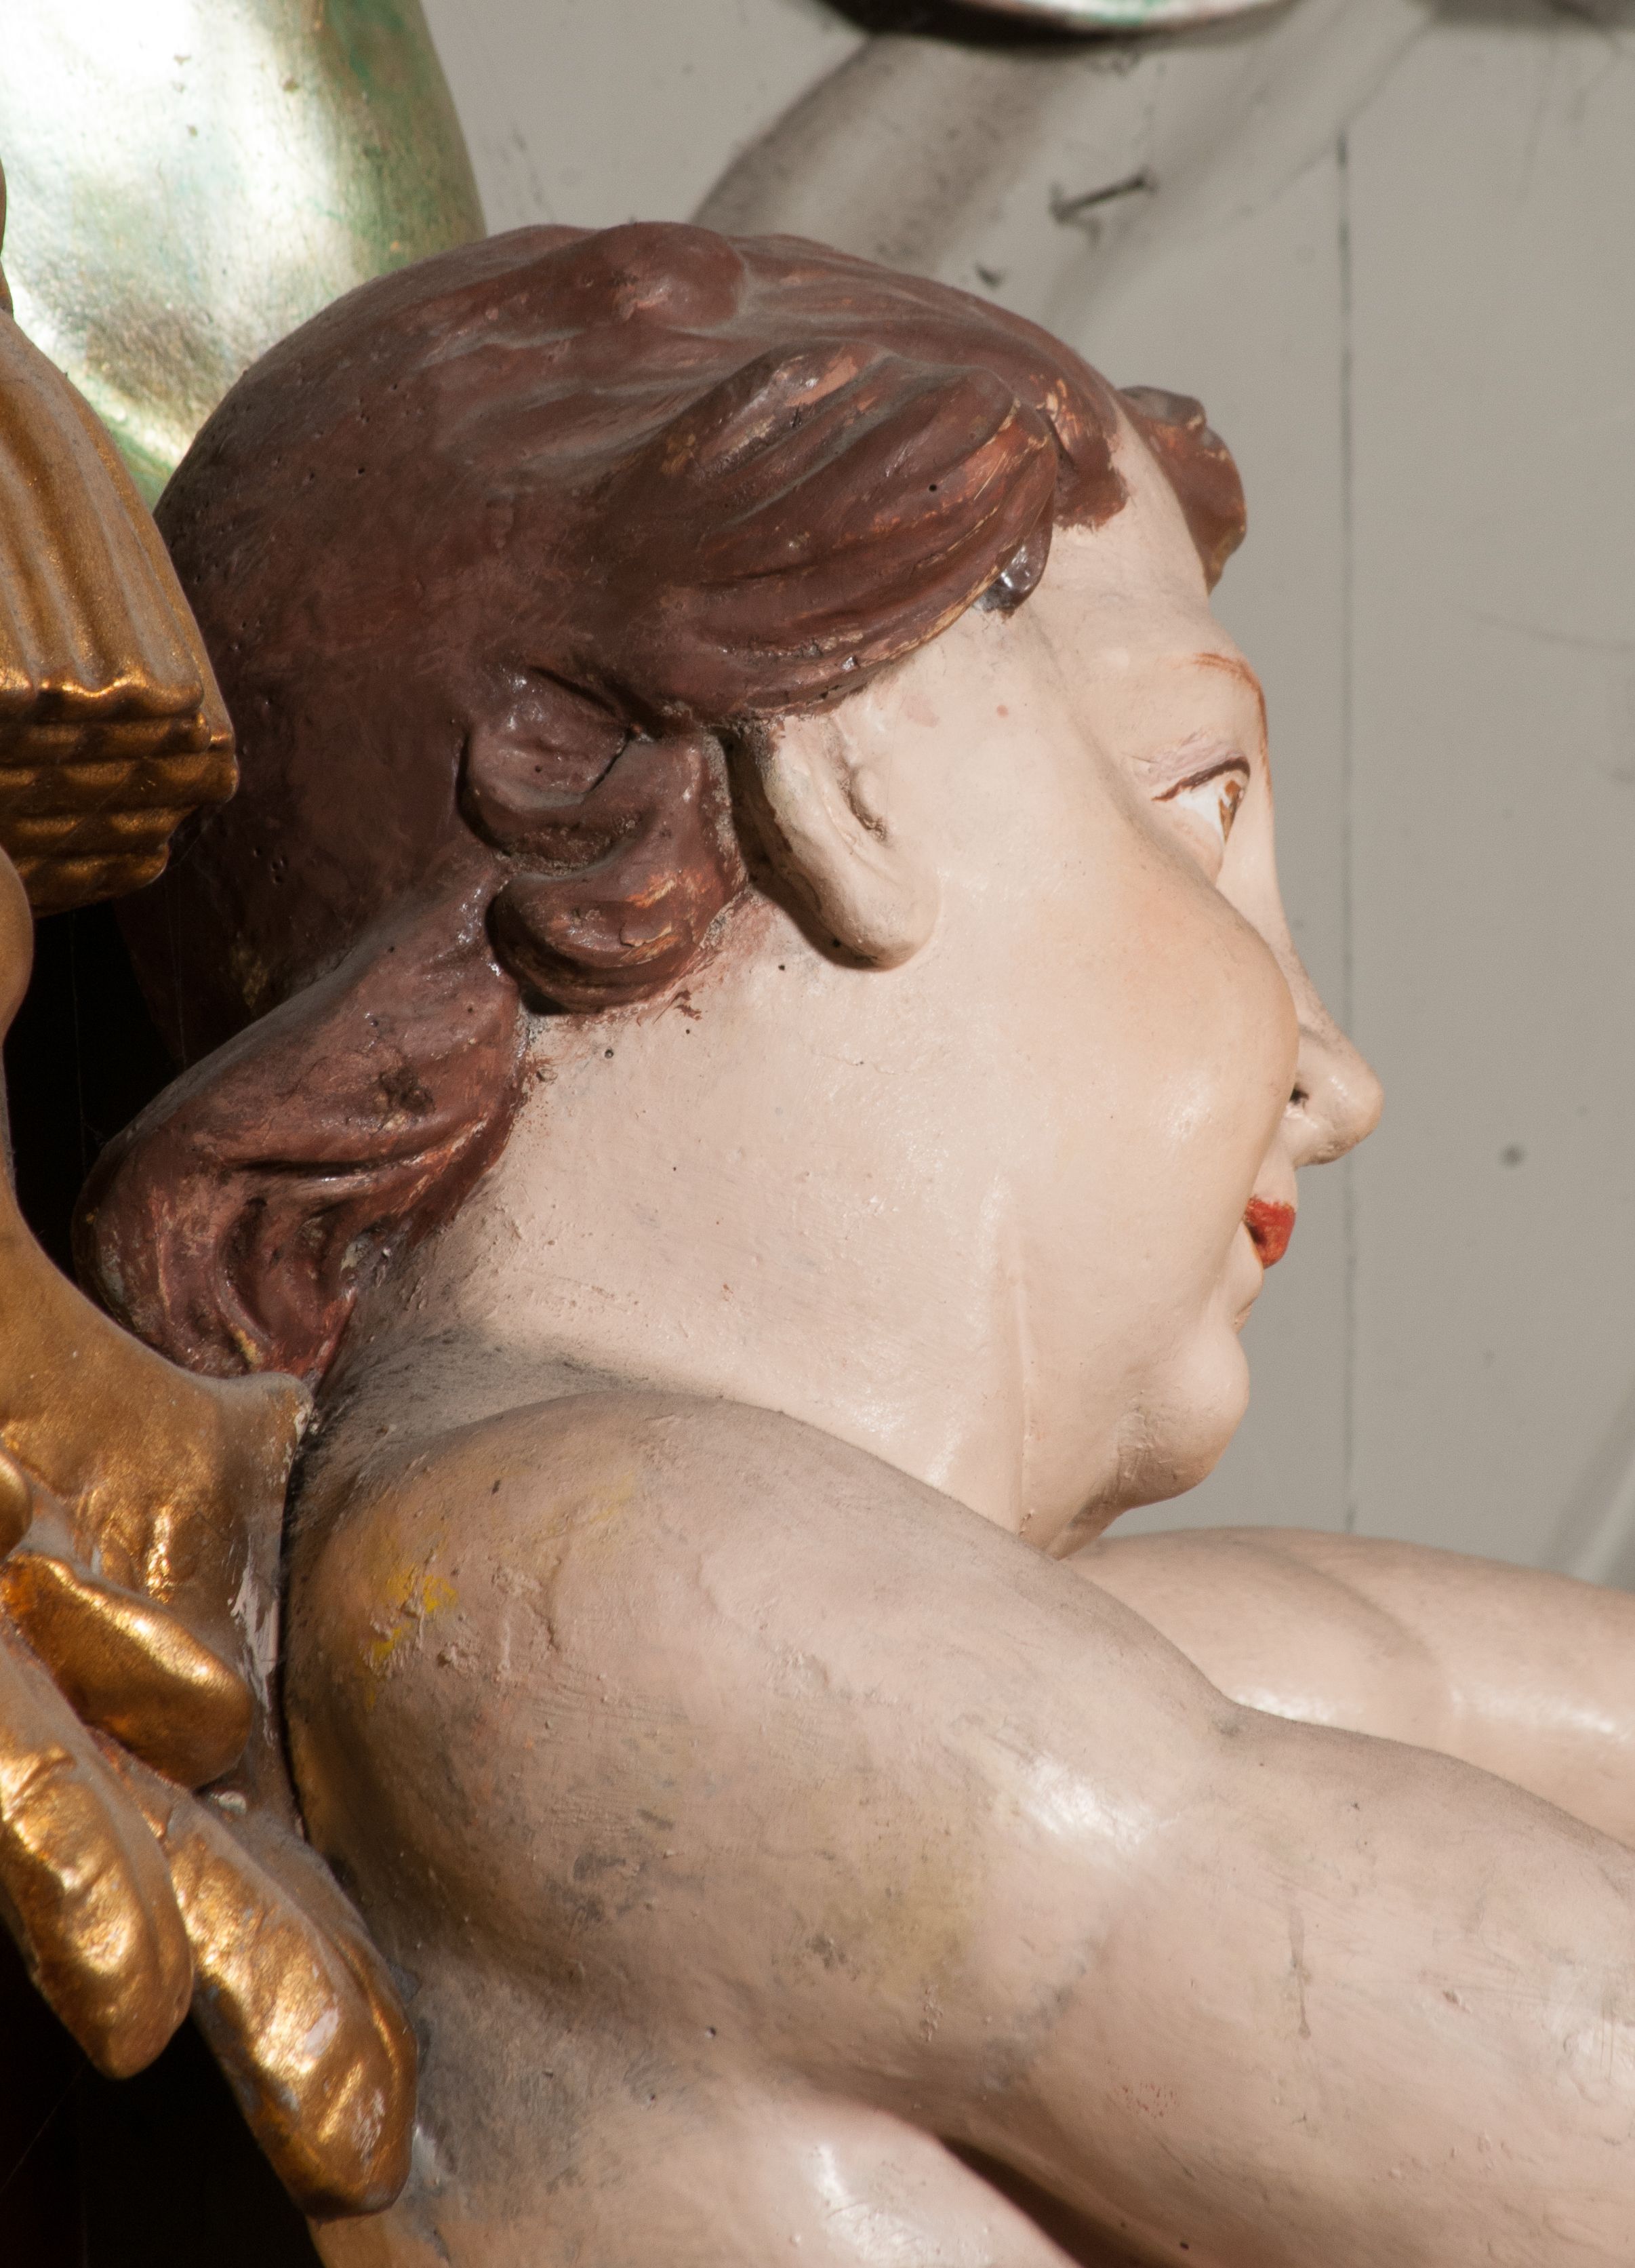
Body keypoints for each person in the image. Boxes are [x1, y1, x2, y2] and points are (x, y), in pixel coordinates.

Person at [81, 222, 1635, 2265]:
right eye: (1202, 804)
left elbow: (1417, 1675)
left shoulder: (800, 1594)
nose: (1333, 1080)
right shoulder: (622, 1582)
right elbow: (1568, 2093)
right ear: (855, 752)